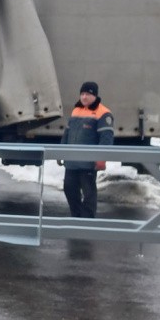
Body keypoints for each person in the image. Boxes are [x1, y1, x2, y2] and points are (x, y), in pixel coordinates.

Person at [61, 79, 114, 218]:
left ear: (95, 95)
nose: (84, 97)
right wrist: (60, 151)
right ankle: (76, 217)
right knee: (69, 188)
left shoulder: (103, 113)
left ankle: (87, 220)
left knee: (89, 193)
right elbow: (67, 134)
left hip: (88, 163)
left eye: (88, 94)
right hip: (72, 161)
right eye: (82, 94)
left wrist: (101, 159)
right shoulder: (76, 110)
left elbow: (106, 139)